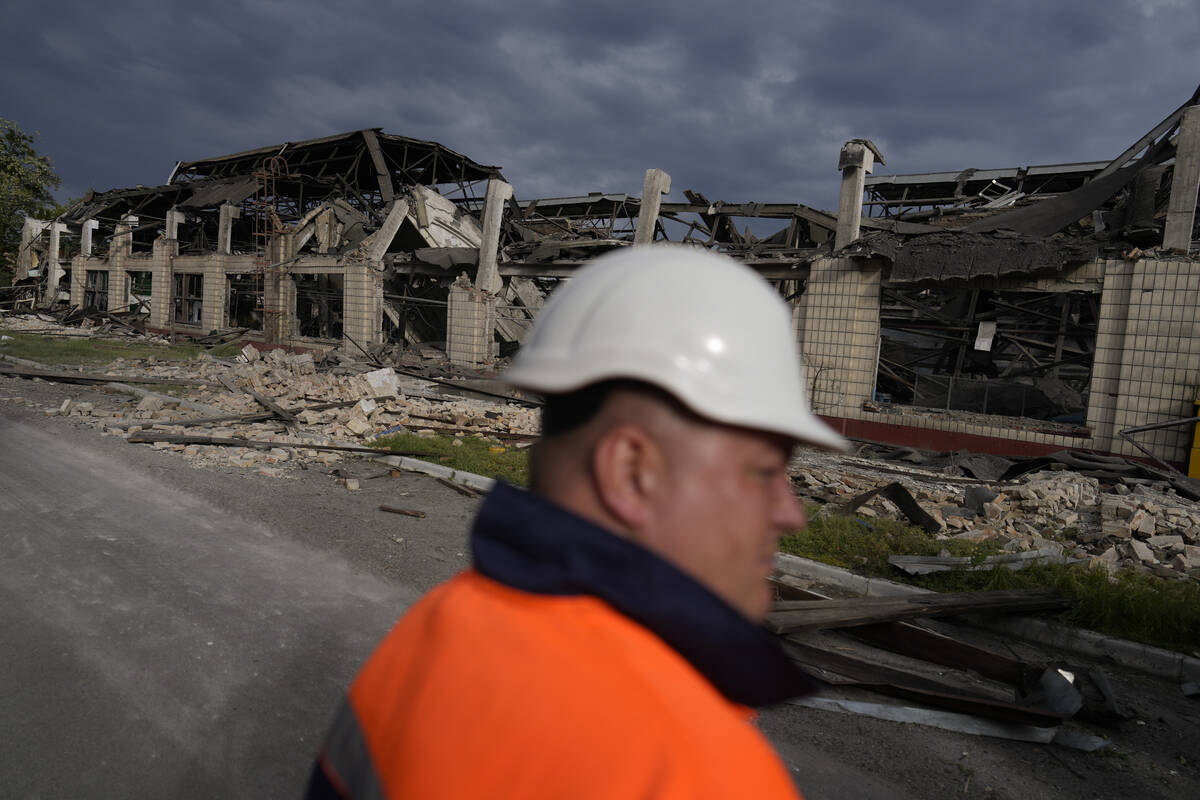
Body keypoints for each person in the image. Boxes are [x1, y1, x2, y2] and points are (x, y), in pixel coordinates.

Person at [305, 245, 847, 799]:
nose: (790, 512)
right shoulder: (699, 768)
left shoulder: (434, 631)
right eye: (761, 472)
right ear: (631, 471)